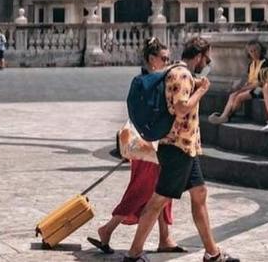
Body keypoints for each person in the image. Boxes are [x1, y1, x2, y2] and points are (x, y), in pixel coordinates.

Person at [123, 36, 239, 262]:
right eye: (206, 58)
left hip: (187, 148)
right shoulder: (182, 75)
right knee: (158, 201)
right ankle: (134, 253)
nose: (207, 63)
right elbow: (181, 107)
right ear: (198, 57)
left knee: (200, 194)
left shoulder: (179, 72)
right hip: (177, 148)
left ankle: (212, 253)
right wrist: (202, 90)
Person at [89, 38, 183, 255]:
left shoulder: (147, 81)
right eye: (164, 58)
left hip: (150, 144)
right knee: (143, 190)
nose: (167, 62)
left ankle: (165, 237)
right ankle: (107, 229)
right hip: (148, 145)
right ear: (152, 59)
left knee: (162, 189)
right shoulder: (149, 82)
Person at [209, 40, 268, 125]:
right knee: (233, 95)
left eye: (256, 50)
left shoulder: (266, 62)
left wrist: (243, 89)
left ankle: (227, 116)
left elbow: (261, 82)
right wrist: (242, 86)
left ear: (260, 50)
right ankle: (224, 116)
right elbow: (250, 80)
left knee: (239, 97)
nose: (254, 53)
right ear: (248, 53)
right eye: (251, 51)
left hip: (262, 89)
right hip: (252, 87)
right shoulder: (251, 64)